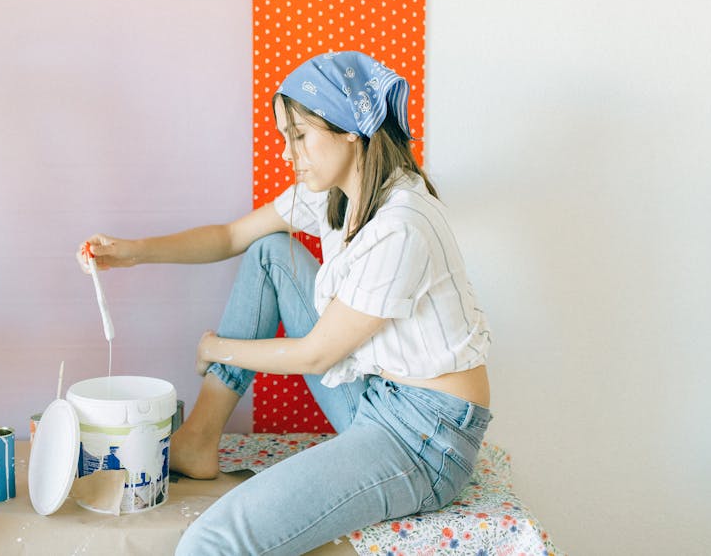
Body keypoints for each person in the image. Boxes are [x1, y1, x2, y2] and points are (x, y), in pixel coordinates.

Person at [77, 51, 492, 555]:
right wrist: (132, 253)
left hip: (425, 439)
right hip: (377, 397)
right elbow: (231, 236)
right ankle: (198, 438)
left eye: (300, 136)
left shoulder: (400, 226)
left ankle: (202, 440)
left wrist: (216, 348)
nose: (288, 153)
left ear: (349, 130)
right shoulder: (340, 193)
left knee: (211, 540)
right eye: (285, 138)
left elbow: (316, 354)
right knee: (270, 251)